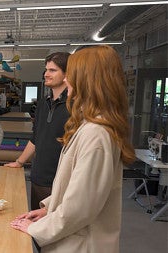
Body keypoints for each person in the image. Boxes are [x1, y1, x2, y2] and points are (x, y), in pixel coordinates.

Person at [10, 45, 135, 252]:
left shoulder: (96, 134)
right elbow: (76, 188)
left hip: (80, 244)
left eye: (72, 75)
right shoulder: (90, 126)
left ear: (88, 81)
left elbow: (79, 208)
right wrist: (49, 208)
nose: (67, 80)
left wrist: (37, 228)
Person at [5, 52, 70, 212]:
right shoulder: (43, 104)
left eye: (53, 70)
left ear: (67, 74)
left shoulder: (75, 106)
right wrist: (20, 162)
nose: (46, 74)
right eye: (46, 69)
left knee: (57, 232)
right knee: (36, 228)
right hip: (38, 177)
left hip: (62, 181)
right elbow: (36, 138)